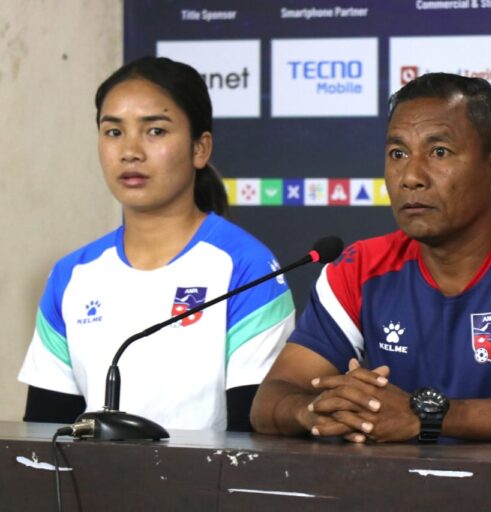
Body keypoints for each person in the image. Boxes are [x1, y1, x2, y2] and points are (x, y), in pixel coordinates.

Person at [251, 72, 491, 443]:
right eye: (398, 154)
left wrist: (425, 415)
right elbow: (271, 400)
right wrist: (316, 410)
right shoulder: (358, 268)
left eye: (439, 152)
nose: (411, 177)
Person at [18, 57, 294, 432]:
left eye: (155, 131)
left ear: (200, 148)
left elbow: (252, 437)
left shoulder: (246, 267)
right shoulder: (71, 274)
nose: (130, 151)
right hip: (90, 473)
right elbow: (44, 431)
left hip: (210, 473)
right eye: (113, 132)